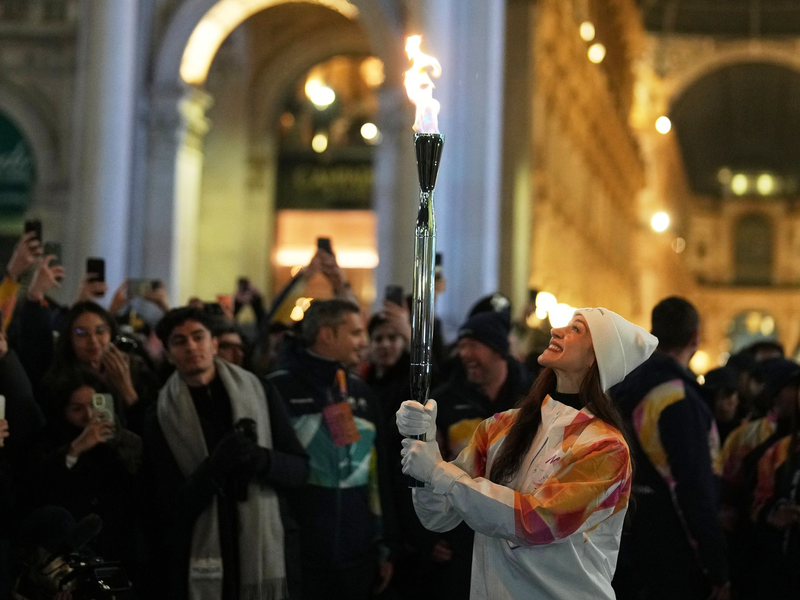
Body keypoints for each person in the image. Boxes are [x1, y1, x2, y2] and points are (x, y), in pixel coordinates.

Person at [397, 307, 657, 599]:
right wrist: (424, 443)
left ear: (597, 357)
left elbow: (536, 522)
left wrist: (437, 471)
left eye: (576, 329)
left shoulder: (604, 447)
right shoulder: (501, 426)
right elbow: (438, 516)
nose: (556, 331)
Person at [144, 307, 308, 600]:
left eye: (198, 337)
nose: (191, 346)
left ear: (214, 344)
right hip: (200, 549)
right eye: (180, 341)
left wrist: (260, 459)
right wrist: (214, 468)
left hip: (262, 540)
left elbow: (299, 469)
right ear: (169, 354)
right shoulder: (160, 415)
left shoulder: (259, 392)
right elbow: (168, 506)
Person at [267, 299, 398, 600]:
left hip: (358, 554)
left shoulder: (359, 391)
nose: (364, 343)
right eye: (354, 333)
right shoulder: (277, 388)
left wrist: (384, 543)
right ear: (326, 335)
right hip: (298, 554)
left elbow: (377, 476)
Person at [611, 297, 730, 600]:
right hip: (672, 553)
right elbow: (692, 486)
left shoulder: (620, 387)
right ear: (695, 337)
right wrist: (716, 567)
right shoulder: (677, 399)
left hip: (622, 541)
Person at [424, 310, 532, 599]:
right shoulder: (445, 400)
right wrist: (430, 535)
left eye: (474, 345)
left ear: (497, 349)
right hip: (462, 533)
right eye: (461, 345)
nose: (465, 354)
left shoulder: (533, 398)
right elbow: (427, 469)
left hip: (520, 530)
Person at [35, 368, 146, 587]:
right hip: (71, 558)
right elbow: (41, 490)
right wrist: (74, 449)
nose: (88, 416)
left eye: (94, 405)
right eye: (77, 409)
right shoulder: (46, 443)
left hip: (117, 550)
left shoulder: (121, 441)